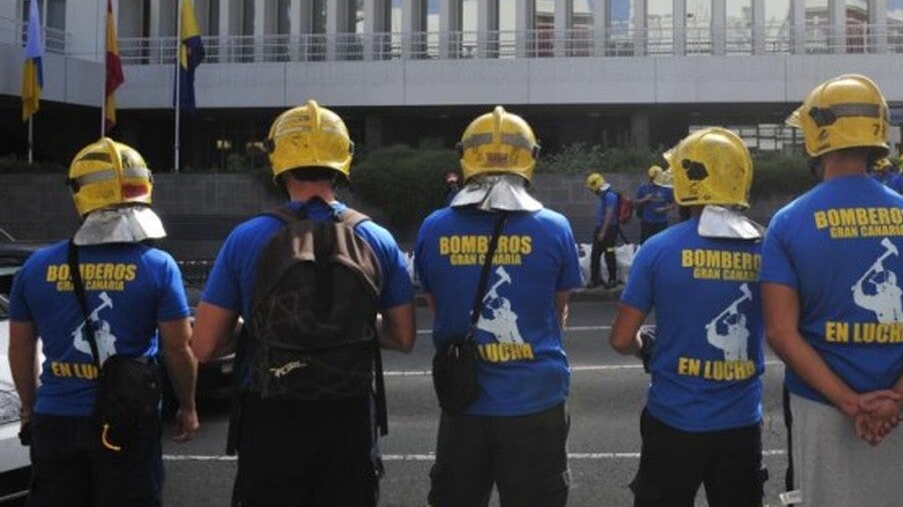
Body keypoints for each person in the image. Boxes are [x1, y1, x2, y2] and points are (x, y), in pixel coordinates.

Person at [191, 100, 416, 507]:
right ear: (343, 158)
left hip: (270, 413)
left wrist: (253, 329)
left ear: (279, 159)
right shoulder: (377, 238)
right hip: (348, 413)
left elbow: (205, 346)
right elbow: (402, 337)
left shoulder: (246, 238)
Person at [761, 74, 903, 507]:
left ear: (816, 138)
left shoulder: (788, 222)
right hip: (902, 412)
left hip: (821, 410)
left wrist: (849, 402)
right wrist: (897, 399)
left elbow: (781, 332)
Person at [7, 137, 199, 506]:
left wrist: (30, 408)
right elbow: (178, 350)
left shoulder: (35, 267)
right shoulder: (158, 267)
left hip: (55, 420)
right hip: (127, 421)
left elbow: (20, 347)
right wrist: (188, 408)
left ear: (79, 194)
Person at [414, 106, 581, 507]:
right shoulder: (555, 227)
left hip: (463, 398)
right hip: (536, 401)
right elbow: (558, 311)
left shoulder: (434, 227)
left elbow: (437, 305)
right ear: (530, 157)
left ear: (465, 156)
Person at [610, 128, 767, 507]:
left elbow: (619, 340)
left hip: (672, 421)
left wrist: (643, 346)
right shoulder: (767, 246)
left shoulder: (658, 249)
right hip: (741, 423)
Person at [586, 172, 622, 288]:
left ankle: (612, 279)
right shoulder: (603, 196)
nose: (592, 191)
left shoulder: (610, 196)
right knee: (595, 254)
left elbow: (609, 214)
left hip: (609, 229)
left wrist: (603, 231)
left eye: (593, 189)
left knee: (609, 253)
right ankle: (595, 279)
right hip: (600, 228)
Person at [634, 165, 675, 244]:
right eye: (653, 177)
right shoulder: (643, 188)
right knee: (645, 244)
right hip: (647, 222)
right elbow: (635, 203)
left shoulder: (666, 189)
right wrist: (644, 199)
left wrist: (664, 209)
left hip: (661, 223)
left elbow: (674, 204)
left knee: (662, 244)